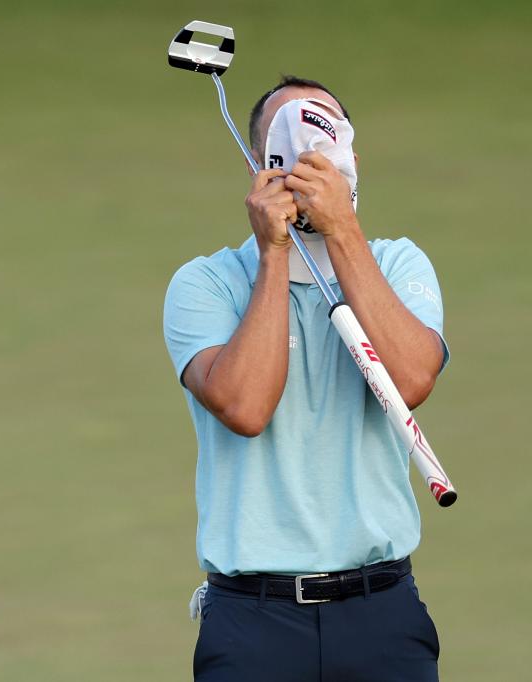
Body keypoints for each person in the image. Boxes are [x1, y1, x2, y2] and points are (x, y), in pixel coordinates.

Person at [162, 75, 448, 681]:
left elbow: (412, 380)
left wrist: (341, 228)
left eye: (324, 131)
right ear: (260, 166)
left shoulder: (399, 262)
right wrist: (274, 252)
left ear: (350, 157)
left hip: (382, 611)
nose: (310, 153)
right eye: (290, 140)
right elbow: (245, 407)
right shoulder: (206, 283)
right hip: (252, 621)